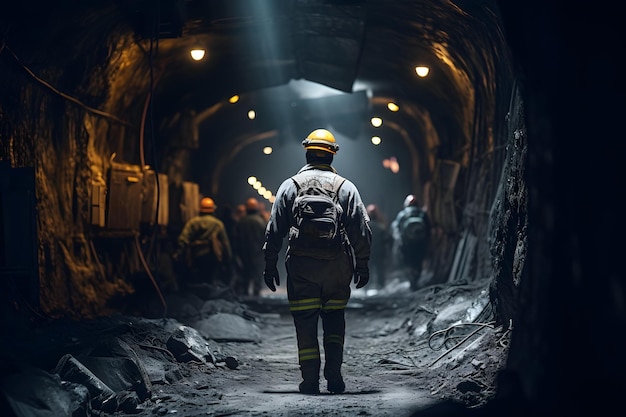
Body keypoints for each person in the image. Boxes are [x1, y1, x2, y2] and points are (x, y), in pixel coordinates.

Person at [262, 128, 372, 395]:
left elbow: (274, 229)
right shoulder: (346, 187)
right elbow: (362, 230)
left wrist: (269, 264)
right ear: (332, 155)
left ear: (307, 151)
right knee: (334, 319)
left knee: (305, 322)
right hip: (337, 267)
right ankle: (334, 376)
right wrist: (362, 264)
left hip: (301, 268)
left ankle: (309, 380)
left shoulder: (290, 186)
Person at [173, 197, 233, 290]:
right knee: (210, 280)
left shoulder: (193, 222)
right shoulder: (218, 224)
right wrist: (228, 258)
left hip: (195, 255)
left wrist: (178, 253)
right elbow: (225, 242)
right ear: (213, 209)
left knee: (196, 280)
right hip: (212, 256)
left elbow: (183, 239)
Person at [390, 194, 431, 291]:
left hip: (407, 243)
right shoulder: (422, 213)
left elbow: (396, 228)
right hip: (420, 242)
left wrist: (399, 240)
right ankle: (416, 279)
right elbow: (428, 228)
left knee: (409, 261)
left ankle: (412, 281)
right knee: (418, 261)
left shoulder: (403, 214)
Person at [233, 197, 268, 296]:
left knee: (245, 273)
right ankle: (256, 292)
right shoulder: (261, 221)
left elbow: (236, 238)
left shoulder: (241, 222)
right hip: (258, 253)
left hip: (244, 252)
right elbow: (266, 237)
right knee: (257, 273)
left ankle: (245, 291)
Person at [366, 204, 392, 290]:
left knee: (367, 270)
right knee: (380, 270)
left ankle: (367, 287)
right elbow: (388, 239)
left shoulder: (363, 227)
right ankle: (380, 287)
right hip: (379, 252)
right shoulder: (381, 227)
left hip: (367, 252)